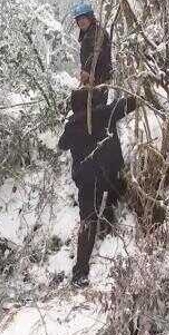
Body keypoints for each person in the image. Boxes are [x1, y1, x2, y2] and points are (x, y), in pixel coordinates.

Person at [58, 89, 138, 287]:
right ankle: (110, 216)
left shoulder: (72, 126)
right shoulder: (104, 113)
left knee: (87, 221)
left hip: (87, 182)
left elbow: (62, 145)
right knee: (119, 189)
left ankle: (80, 272)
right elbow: (130, 103)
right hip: (109, 175)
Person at [71, 1, 113, 87]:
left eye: (83, 18)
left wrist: (87, 71)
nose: (81, 22)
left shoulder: (96, 33)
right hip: (94, 80)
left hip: (98, 79)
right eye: (78, 19)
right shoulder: (88, 34)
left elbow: (98, 53)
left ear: (90, 18)